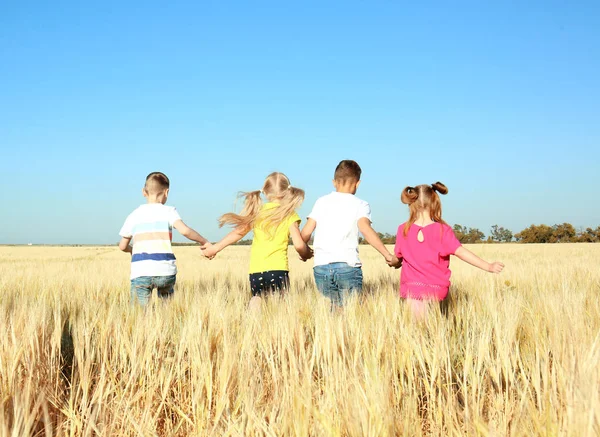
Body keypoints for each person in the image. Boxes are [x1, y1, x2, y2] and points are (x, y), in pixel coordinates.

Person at [201, 172, 312, 309]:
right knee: (280, 306)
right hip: (278, 270)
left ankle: (252, 318)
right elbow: (299, 245)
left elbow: (238, 233)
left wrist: (214, 248)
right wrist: (306, 254)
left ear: (264, 193)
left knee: (257, 297)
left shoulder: (257, 213)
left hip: (256, 271)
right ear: (287, 192)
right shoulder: (289, 215)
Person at [394, 182, 504, 318]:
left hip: (412, 286)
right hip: (435, 288)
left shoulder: (403, 229)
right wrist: (488, 266)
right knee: (430, 325)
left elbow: (398, 257)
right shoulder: (442, 230)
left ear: (411, 205)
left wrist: (393, 261)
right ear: (435, 203)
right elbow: (462, 252)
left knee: (417, 328)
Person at [301, 160, 400, 308]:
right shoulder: (361, 204)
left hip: (321, 267)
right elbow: (365, 230)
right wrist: (387, 255)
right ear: (358, 183)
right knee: (349, 315)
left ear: (334, 182)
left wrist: (303, 252)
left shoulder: (321, 202)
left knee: (331, 311)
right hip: (347, 266)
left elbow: (306, 232)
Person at [118, 172, 210, 306]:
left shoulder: (133, 215)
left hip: (141, 271)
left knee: (140, 314)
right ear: (166, 192)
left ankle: (144, 326)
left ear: (144, 192)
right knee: (167, 311)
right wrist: (204, 241)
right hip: (165, 271)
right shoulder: (169, 211)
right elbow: (184, 230)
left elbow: (122, 246)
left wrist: (132, 250)